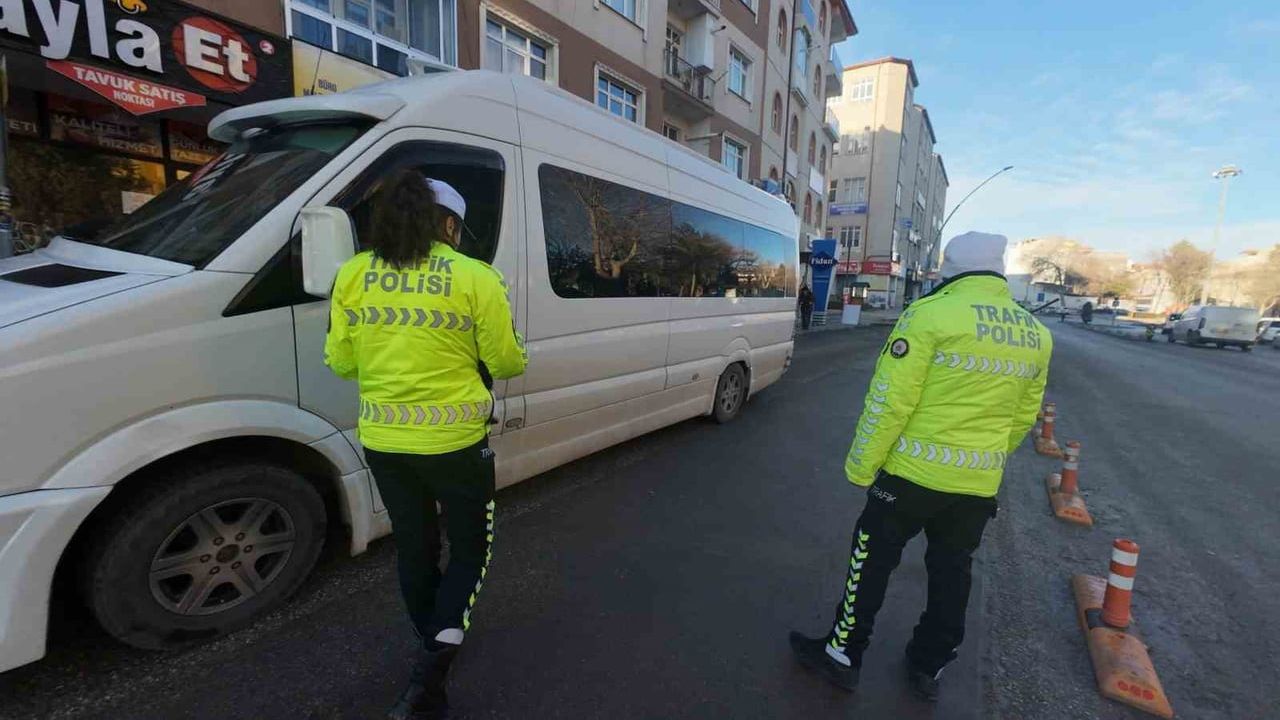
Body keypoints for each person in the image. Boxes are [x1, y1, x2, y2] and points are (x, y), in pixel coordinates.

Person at [789, 232, 1053, 701]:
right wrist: (984, 461)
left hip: (910, 477)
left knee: (871, 561)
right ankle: (930, 663)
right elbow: (1022, 417)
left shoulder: (929, 314)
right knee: (953, 572)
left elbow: (889, 401)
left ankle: (842, 653)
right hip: (977, 485)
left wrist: (862, 466)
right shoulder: (1035, 333)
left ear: (950, 268)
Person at [324, 169, 528, 720]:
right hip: (456, 443)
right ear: (449, 226)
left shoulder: (352, 274)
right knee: (471, 549)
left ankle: (431, 637)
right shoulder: (476, 276)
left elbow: (341, 361)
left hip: (384, 440)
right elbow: (507, 361)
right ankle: (431, 671)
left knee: (415, 546)